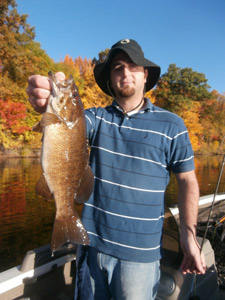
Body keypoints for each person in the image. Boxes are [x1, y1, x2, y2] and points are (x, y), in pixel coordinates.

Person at [27, 39, 206, 300]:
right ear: (111, 79)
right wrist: (45, 103)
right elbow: (67, 125)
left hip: (141, 259)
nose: (125, 73)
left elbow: (188, 182)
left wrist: (189, 235)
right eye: (118, 68)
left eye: (133, 67)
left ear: (145, 75)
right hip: (91, 249)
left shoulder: (173, 125)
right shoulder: (95, 118)